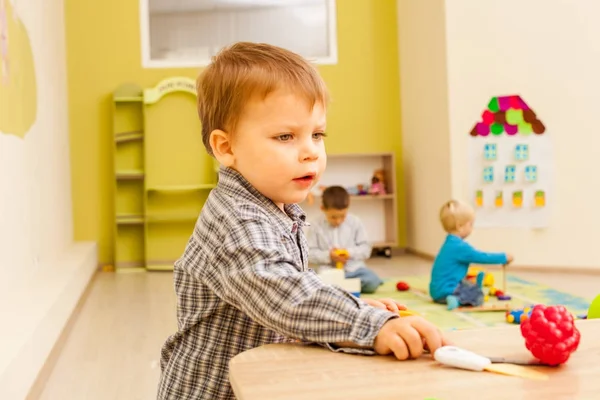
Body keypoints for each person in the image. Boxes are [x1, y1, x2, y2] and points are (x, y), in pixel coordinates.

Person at [156, 42, 448, 400]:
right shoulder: (237, 220)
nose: (310, 150)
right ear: (226, 147)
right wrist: (367, 324)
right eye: (285, 136)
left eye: (317, 134)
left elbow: (298, 282)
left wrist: (343, 304)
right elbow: (285, 296)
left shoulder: (276, 206)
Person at [429, 199, 513, 310]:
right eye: (471, 224)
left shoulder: (449, 243)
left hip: (436, 292)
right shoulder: (459, 246)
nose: (472, 228)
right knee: (478, 295)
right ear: (460, 226)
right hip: (447, 291)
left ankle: (455, 297)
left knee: (469, 284)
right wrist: (503, 257)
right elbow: (481, 257)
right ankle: (456, 299)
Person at [307, 185, 383, 293]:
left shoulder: (355, 222)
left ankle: (336, 289)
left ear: (348, 207)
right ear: (323, 209)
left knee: (372, 281)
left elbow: (365, 249)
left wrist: (349, 253)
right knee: (309, 280)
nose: (338, 221)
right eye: (333, 217)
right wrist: (329, 256)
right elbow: (309, 253)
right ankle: (345, 287)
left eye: (342, 216)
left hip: (353, 271)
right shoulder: (315, 225)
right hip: (327, 271)